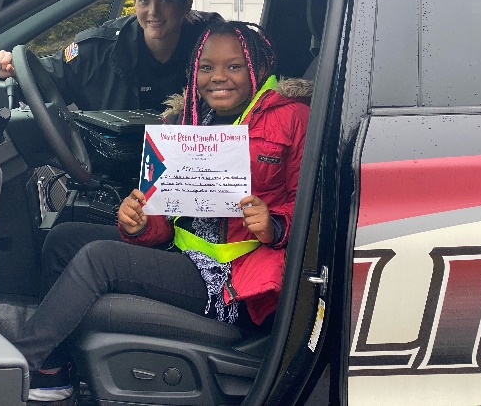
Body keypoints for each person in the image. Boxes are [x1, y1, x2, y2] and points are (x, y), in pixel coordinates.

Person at [17, 21, 312, 405]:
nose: (218, 77)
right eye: (206, 67)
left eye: (234, 66)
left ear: (258, 67)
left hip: (233, 279)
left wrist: (274, 224)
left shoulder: (292, 119)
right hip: (182, 252)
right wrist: (138, 224)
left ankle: (18, 365)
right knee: (64, 238)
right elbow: (166, 219)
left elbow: (312, 208)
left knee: (99, 259)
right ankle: (53, 370)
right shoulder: (185, 120)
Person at [0, 0, 223, 112]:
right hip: (115, 178)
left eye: (166, 0)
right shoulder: (98, 50)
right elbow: (46, 76)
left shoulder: (214, 46)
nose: (153, 12)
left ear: (186, 5)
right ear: (135, 3)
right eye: (144, 0)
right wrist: (10, 68)